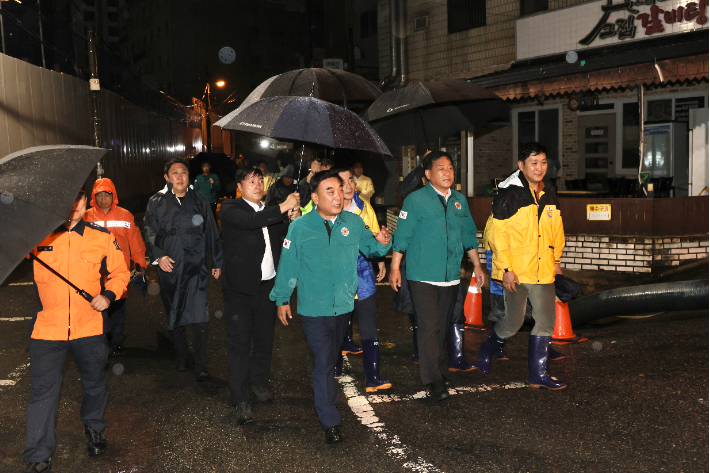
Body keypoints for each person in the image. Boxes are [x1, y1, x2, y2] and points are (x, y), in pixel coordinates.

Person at [270, 170, 391, 444]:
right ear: (314, 197)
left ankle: (327, 409)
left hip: (344, 306)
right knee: (324, 361)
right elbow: (289, 265)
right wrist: (282, 298)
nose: (338, 195)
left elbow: (373, 249)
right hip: (313, 308)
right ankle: (330, 420)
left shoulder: (353, 221)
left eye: (340, 189)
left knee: (332, 354)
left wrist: (384, 242)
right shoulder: (300, 227)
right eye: (330, 191)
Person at [23, 190, 130, 473]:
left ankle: (94, 427)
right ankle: (38, 454)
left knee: (94, 383)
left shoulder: (102, 237)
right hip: (47, 329)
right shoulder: (38, 236)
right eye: (66, 201)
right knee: (42, 392)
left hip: (89, 326)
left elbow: (121, 273)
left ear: (85, 204)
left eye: (77, 202)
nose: (71, 207)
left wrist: (108, 295)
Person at [389, 151, 485, 402]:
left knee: (441, 327)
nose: (447, 172)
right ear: (428, 174)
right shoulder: (415, 200)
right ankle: (432, 378)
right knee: (430, 325)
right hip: (422, 275)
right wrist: (395, 267)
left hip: (451, 275)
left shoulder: (459, 201)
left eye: (451, 168)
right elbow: (403, 235)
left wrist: (477, 265)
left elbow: (468, 235)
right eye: (441, 168)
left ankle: (435, 369)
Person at [478, 142, 567, 390]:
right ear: (521, 166)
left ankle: (538, 374)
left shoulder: (548, 192)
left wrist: (557, 261)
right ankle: (488, 348)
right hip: (516, 271)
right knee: (513, 323)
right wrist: (506, 269)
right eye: (533, 163)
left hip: (544, 270)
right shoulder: (508, 194)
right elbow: (497, 236)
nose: (539, 168)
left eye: (543, 162)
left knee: (546, 321)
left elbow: (556, 230)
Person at [220, 166, 300, 425]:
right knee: (240, 345)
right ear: (240, 187)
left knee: (265, 340)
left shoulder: (272, 213)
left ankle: (258, 383)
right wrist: (283, 206)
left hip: (268, 287)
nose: (257, 184)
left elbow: (286, 240)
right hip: (239, 291)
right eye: (250, 180)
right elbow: (250, 222)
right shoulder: (231, 209)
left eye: (260, 180)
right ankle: (240, 399)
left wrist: (293, 216)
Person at [144, 158, 223, 382]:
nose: (180, 176)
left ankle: (201, 364)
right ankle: (181, 356)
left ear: (189, 177)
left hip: (196, 265)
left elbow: (211, 232)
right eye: (175, 173)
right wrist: (159, 257)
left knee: (200, 313)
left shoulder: (200, 199)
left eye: (184, 172)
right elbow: (149, 230)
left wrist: (216, 260)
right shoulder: (156, 202)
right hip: (171, 266)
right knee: (174, 309)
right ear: (167, 178)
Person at [332, 168, 390, 392]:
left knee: (368, 326)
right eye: (342, 182)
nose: (347, 186)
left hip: (363, 275)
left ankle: (373, 377)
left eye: (350, 181)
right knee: (336, 326)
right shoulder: (327, 210)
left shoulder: (364, 208)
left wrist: (381, 260)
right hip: (337, 279)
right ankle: (334, 367)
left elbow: (375, 235)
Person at [83, 178, 147, 356]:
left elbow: (135, 242)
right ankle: (100, 340)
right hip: (93, 273)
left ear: (114, 196)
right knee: (96, 308)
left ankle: (117, 341)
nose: (103, 199)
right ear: (93, 197)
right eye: (99, 195)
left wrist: (140, 263)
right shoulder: (86, 216)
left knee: (117, 308)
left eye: (107, 194)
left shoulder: (125, 216)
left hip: (118, 271)